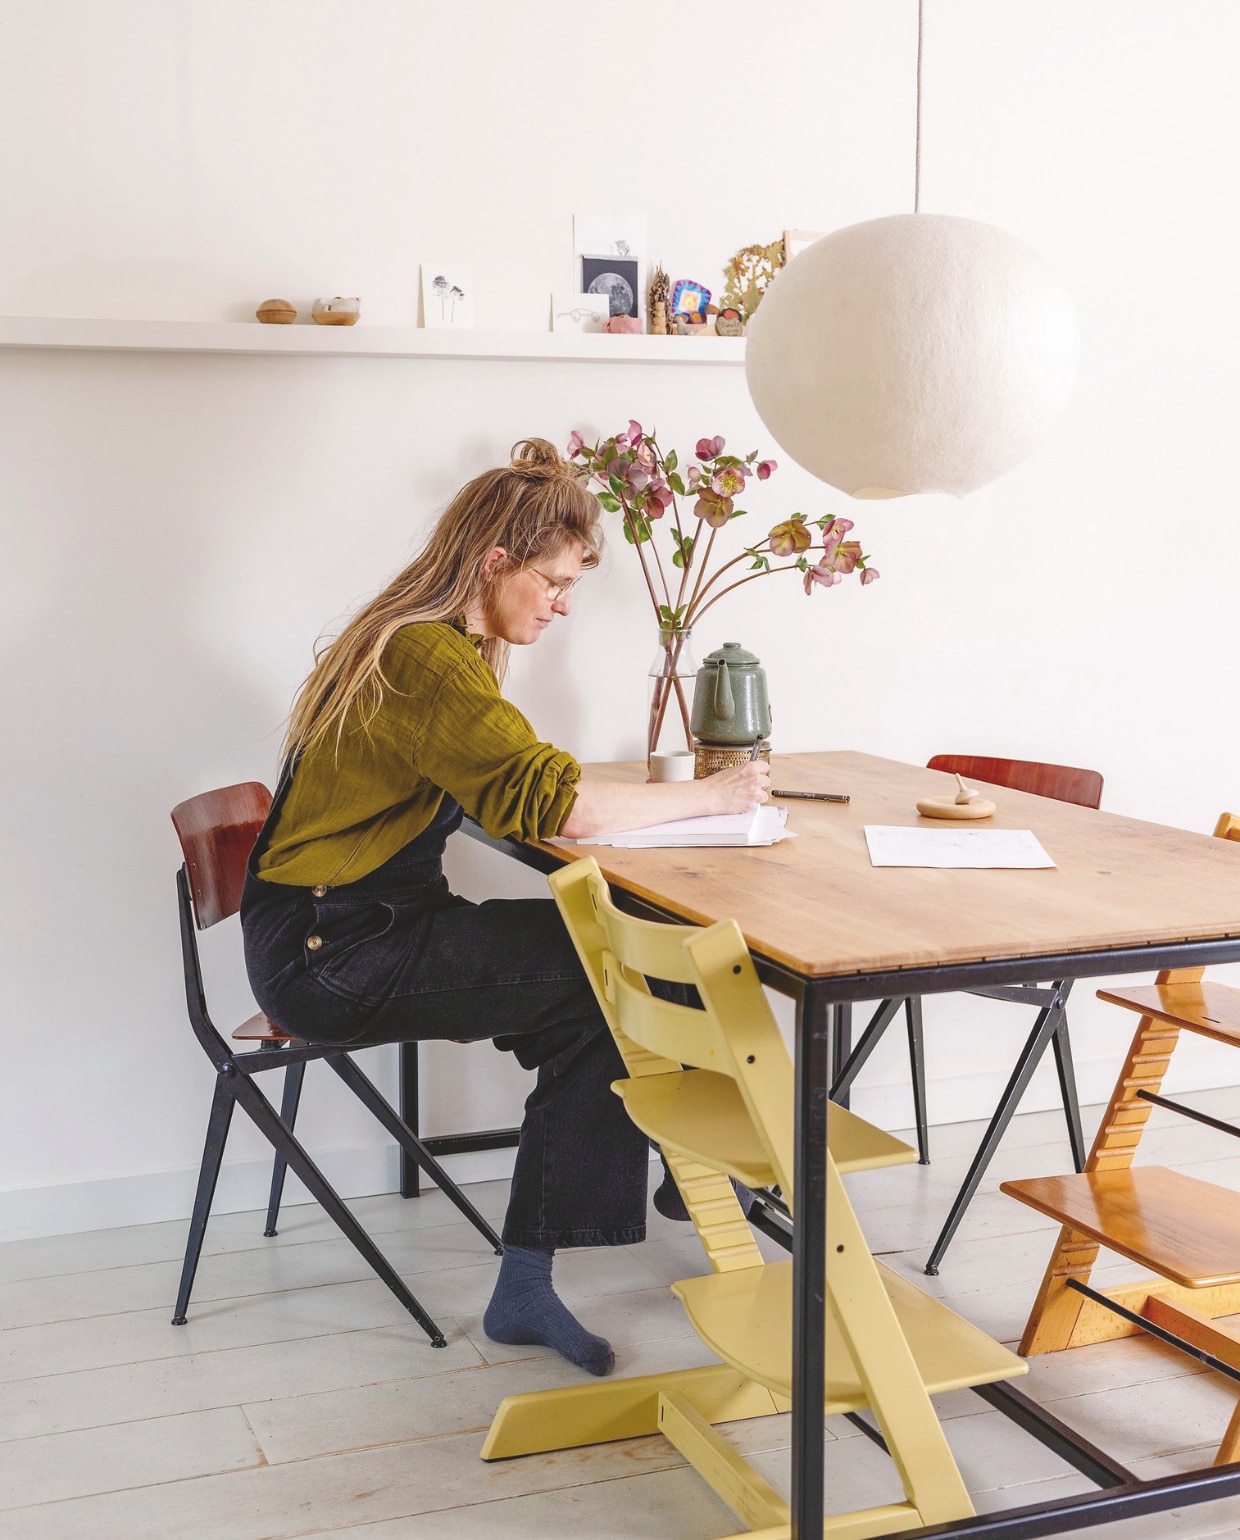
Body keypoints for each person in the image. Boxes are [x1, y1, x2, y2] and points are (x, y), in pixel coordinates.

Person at [241, 437, 770, 1376]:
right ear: (496, 564)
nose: (563, 606)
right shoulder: (427, 656)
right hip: (339, 948)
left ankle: (601, 1225)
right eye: (556, 583)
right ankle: (688, 1164)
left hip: (327, 930)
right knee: (622, 968)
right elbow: (556, 802)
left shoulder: (411, 639)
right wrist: (718, 798)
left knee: (607, 972)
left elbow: (508, 792)